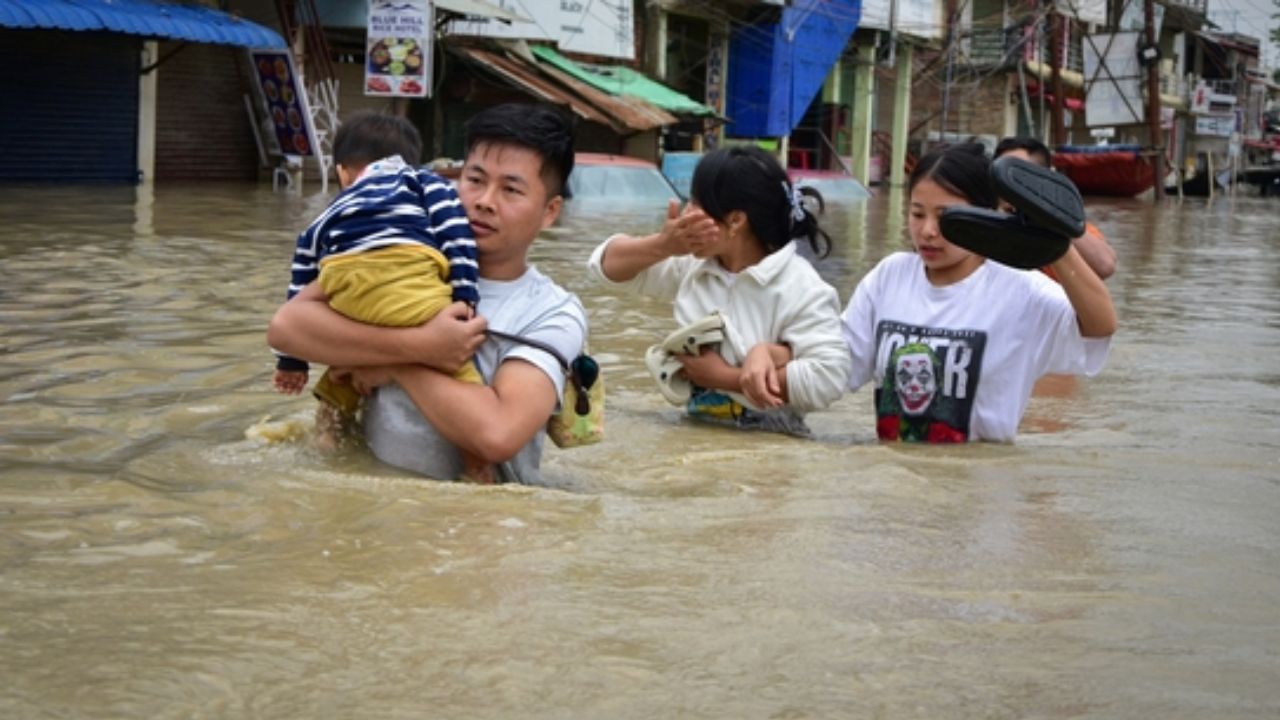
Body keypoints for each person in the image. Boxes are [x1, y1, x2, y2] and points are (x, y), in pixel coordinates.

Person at [267, 103, 586, 485]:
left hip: (473, 527)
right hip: (371, 509)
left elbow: (496, 434)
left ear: (549, 211)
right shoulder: (403, 257)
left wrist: (400, 362)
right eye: (475, 180)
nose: (484, 200)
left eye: (511, 189)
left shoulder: (551, 313)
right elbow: (286, 327)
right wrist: (417, 343)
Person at [840, 143, 1117, 443]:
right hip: (896, 478)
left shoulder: (1021, 290)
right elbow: (836, 362)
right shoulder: (889, 276)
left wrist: (1056, 245)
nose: (928, 231)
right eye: (918, 214)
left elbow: (1100, 326)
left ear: (985, 214)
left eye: (945, 216)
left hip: (979, 482)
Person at [268, 110, 492, 478]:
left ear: (343, 172)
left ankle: (328, 435)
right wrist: (465, 294)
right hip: (407, 279)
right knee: (462, 375)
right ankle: (477, 466)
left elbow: (300, 279)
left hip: (346, 287)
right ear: (410, 160)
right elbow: (454, 232)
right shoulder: (423, 181)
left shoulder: (330, 212)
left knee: (343, 362)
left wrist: (291, 363)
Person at [586, 145, 851, 436]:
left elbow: (831, 376)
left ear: (736, 220)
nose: (686, 213)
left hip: (772, 442)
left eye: (696, 204)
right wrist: (663, 245)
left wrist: (727, 378)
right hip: (696, 431)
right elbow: (602, 267)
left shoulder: (801, 287)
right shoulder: (692, 266)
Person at [993, 137, 1116, 280]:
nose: (1010, 183)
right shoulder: (986, 221)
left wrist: (1046, 213)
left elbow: (1105, 265)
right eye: (1003, 173)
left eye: (1019, 174)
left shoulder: (1067, 225)